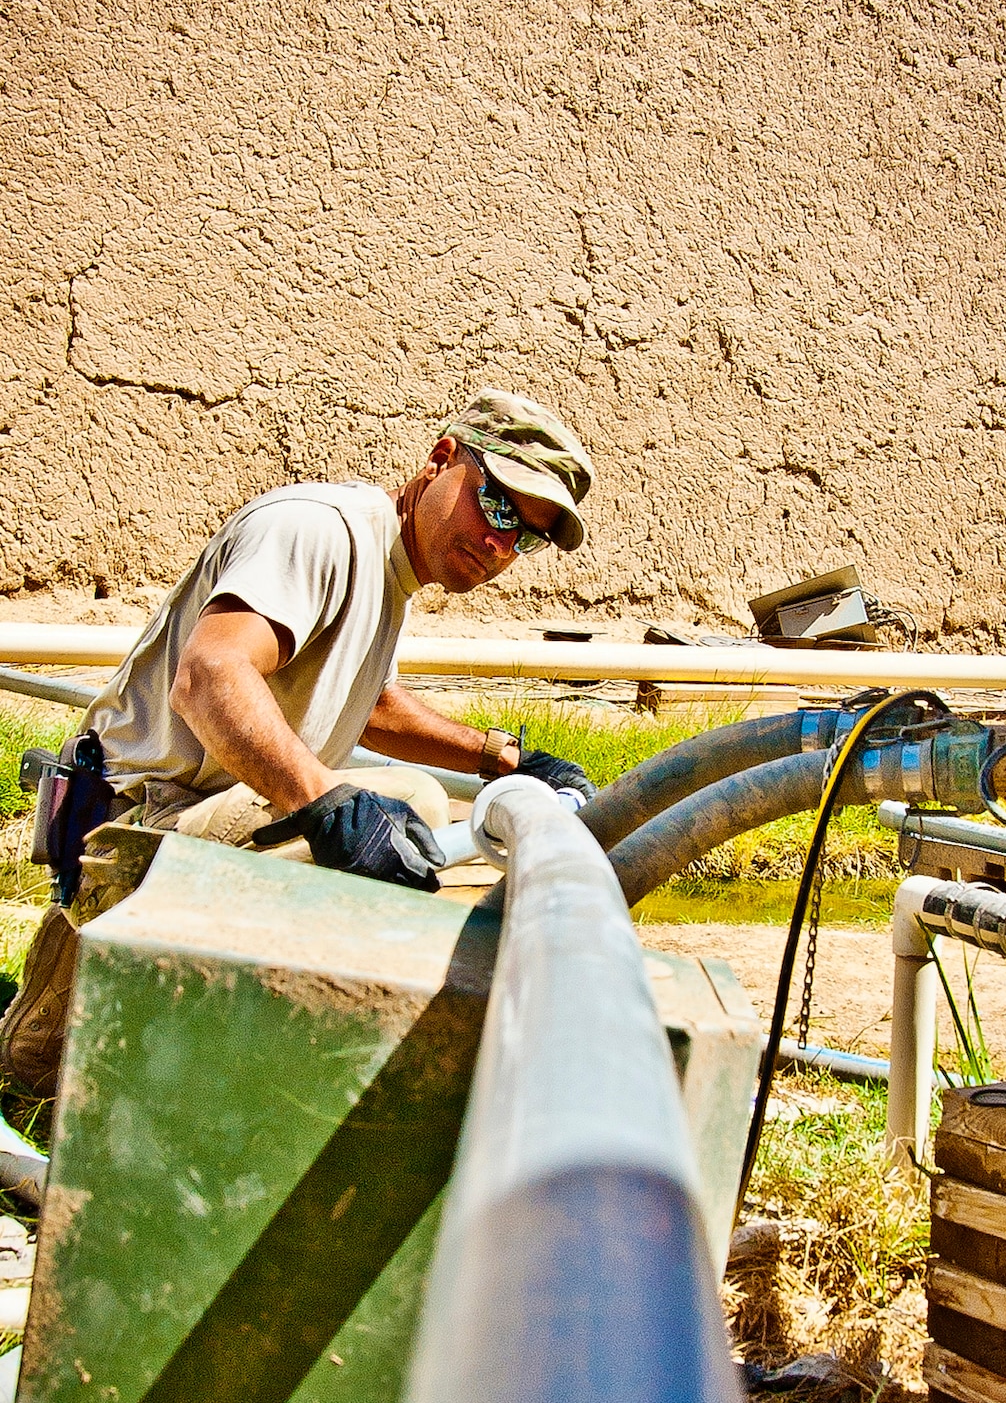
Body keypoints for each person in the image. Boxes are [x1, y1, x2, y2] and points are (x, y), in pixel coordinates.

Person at [0, 388, 596, 1094]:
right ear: (441, 460)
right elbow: (209, 674)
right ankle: (146, 1044)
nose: (500, 543)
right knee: (40, 1086)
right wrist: (325, 801)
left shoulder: (389, 570)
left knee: (412, 807)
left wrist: (504, 758)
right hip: (118, 831)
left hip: (176, 822)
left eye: (523, 536)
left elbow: (370, 706)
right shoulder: (319, 531)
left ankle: (159, 1044)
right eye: (497, 505)